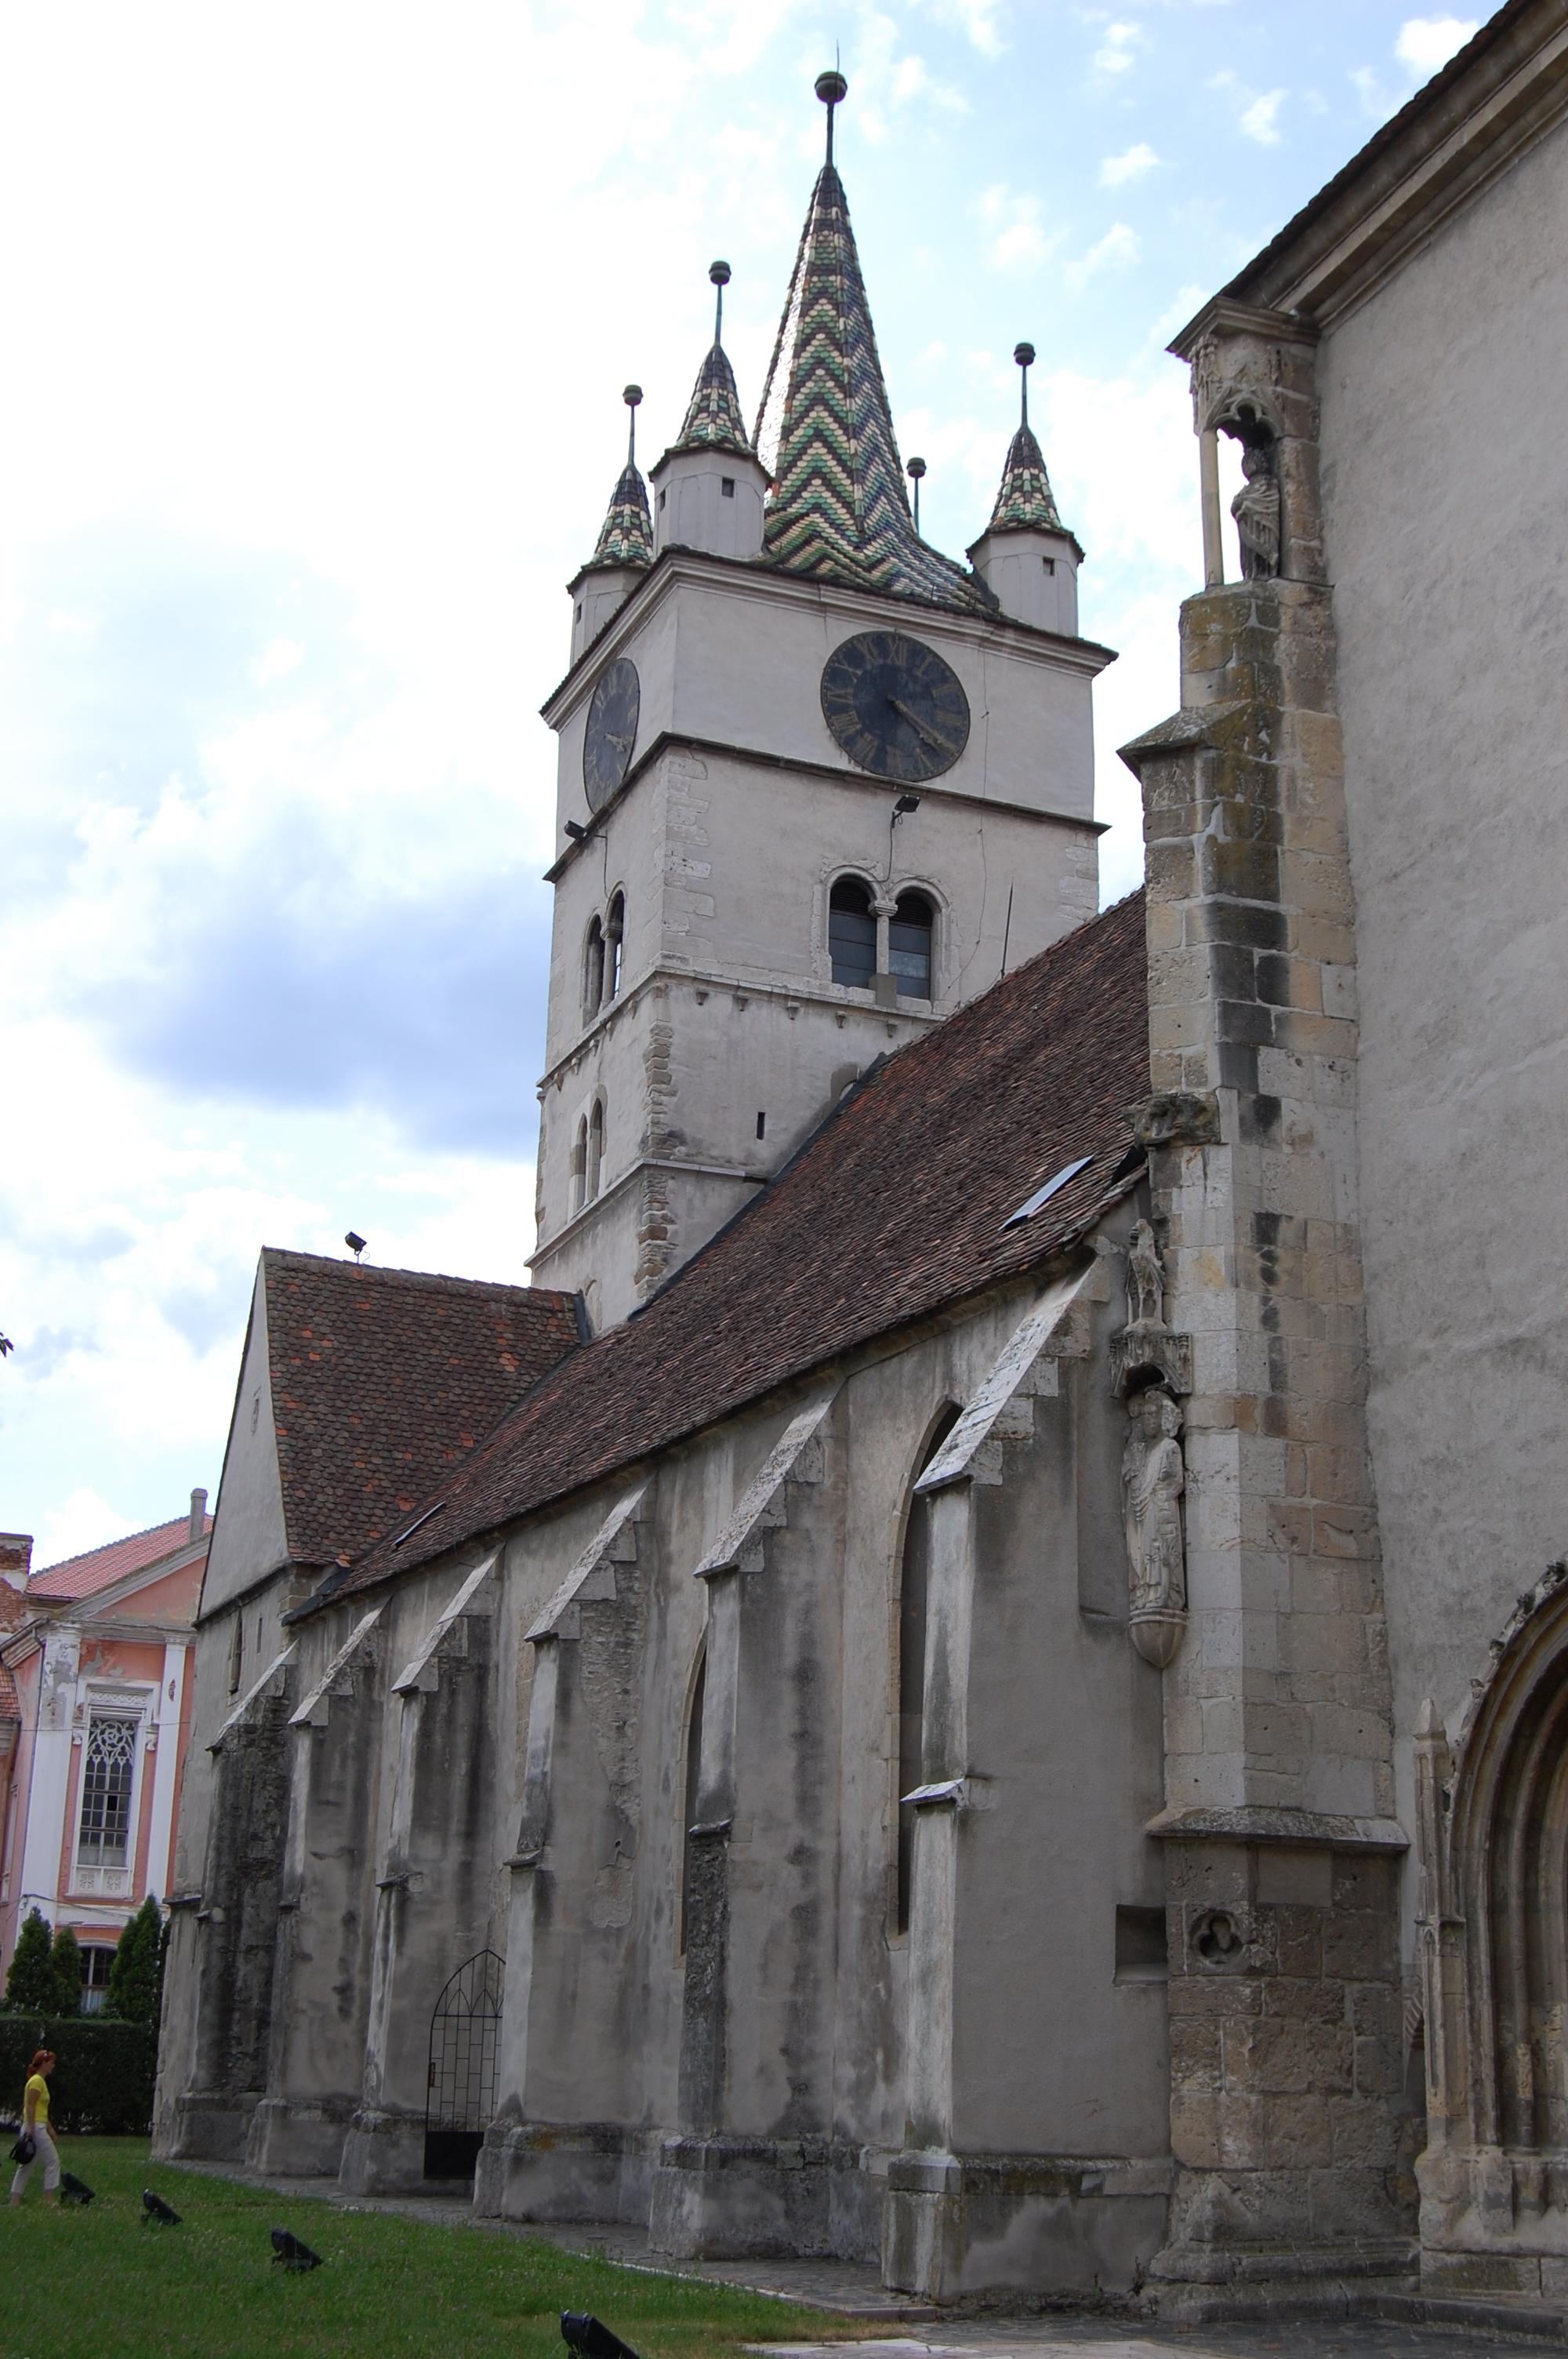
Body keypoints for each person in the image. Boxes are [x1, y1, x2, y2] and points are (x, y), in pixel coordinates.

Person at [9, 2051, 60, 2207]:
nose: (53, 2066)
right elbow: (30, 2105)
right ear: (44, 2063)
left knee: (27, 2165)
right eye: (51, 2062)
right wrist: (31, 2128)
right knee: (53, 2161)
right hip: (35, 2127)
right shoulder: (37, 2081)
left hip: (38, 2125)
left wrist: (50, 2129)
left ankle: (15, 2200)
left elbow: (41, 2109)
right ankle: (49, 2199)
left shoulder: (39, 2081)